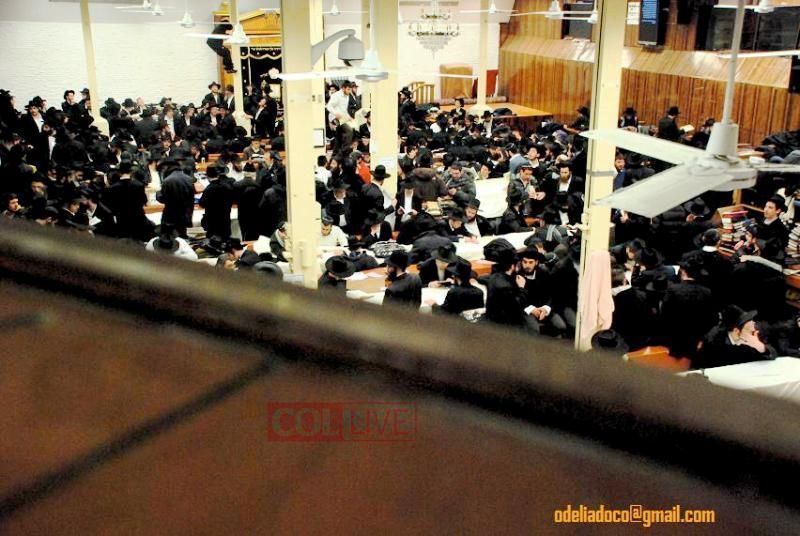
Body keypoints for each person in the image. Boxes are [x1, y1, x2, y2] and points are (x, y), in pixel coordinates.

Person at [694, 305, 777, 369]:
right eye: (749, 328)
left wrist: (759, 346)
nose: (754, 329)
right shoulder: (713, 341)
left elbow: (773, 355)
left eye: (753, 324)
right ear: (736, 331)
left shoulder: (754, 335)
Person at [518, 247, 566, 336]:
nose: (527, 265)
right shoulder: (517, 276)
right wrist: (531, 309)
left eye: (530, 262)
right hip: (526, 310)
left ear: (536, 262)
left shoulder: (543, 273)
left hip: (543, 309)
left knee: (561, 326)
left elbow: (551, 294)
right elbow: (516, 299)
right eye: (525, 262)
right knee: (534, 330)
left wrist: (545, 308)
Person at [485, 248, 530, 330]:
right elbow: (518, 306)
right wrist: (521, 288)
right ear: (512, 266)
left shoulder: (493, 277)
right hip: (507, 326)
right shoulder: (507, 286)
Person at [157, 157, 195, 238]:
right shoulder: (189, 179)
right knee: (182, 238)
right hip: (185, 215)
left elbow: (163, 199)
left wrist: (158, 194)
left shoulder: (167, 180)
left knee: (169, 240)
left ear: (166, 167)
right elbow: (192, 198)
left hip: (170, 217)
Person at [199, 164, 233, 240]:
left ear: (207, 176)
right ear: (218, 175)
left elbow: (202, 203)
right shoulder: (227, 187)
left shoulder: (208, 189)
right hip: (225, 223)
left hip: (212, 225)